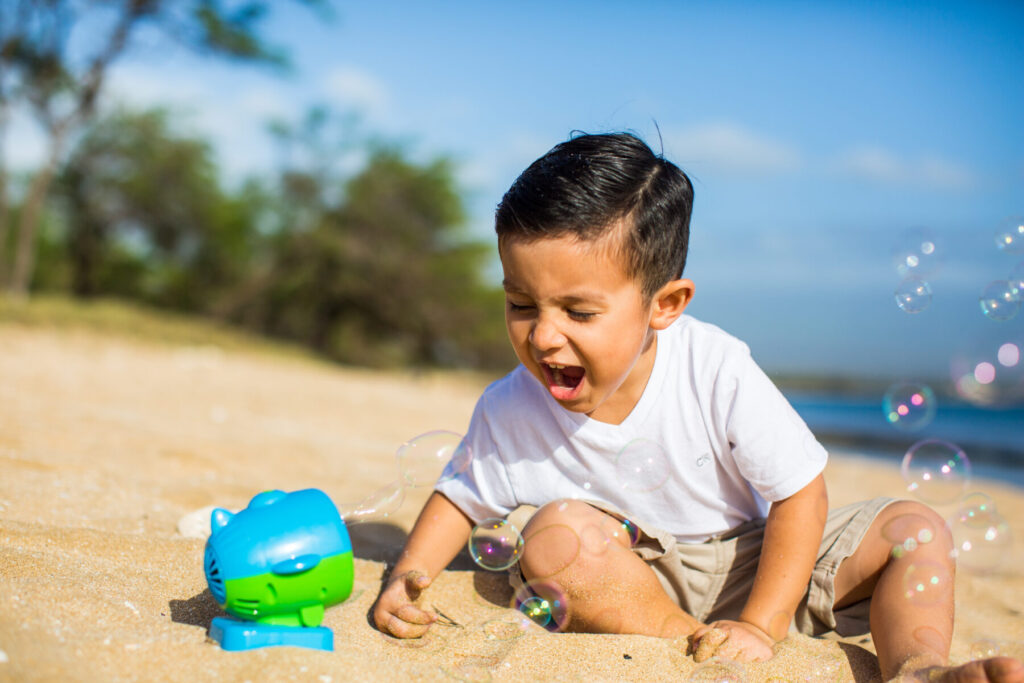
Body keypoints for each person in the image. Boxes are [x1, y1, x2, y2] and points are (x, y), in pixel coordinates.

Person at [372, 132, 1024, 682]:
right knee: (554, 536)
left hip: (760, 561)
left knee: (915, 525)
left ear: (665, 304)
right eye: (521, 304)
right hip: (636, 579)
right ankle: (689, 641)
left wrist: (764, 622)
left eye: (578, 310)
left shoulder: (715, 367)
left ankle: (919, 666)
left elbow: (801, 494)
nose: (543, 335)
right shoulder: (509, 406)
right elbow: (460, 496)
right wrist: (409, 574)